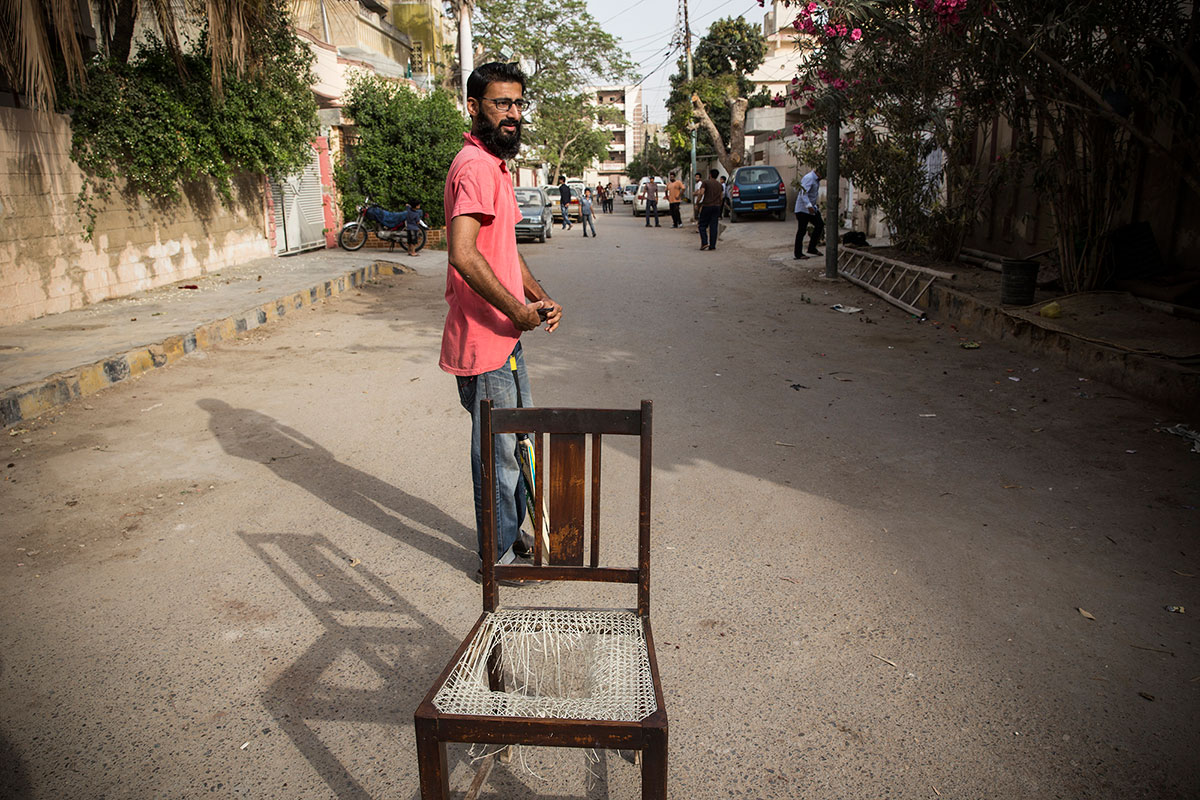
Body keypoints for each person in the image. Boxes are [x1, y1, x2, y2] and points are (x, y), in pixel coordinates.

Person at [440, 61, 564, 570]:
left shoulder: (496, 166)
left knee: (516, 446)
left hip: (505, 338)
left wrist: (538, 296)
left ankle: (511, 541)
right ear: (474, 107)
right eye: (500, 103)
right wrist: (517, 309)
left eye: (517, 103)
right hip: (484, 343)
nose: (512, 114)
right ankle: (498, 556)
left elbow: (505, 251)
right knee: (497, 458)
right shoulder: (473, 167)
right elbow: (463, 253)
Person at [794, 166, 824, 260]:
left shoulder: (816, 180)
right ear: (818, 172)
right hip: (803, 209)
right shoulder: (809, 178)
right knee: (802, 231)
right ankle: (798, 254)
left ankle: (811, 248)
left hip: (811, 208)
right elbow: (803, 193)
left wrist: (813, 207)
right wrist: (809, 206)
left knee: (819, 225)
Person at [697, 168, 723, 250]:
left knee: (702, 225)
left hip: (707, 206)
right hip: (717, 206)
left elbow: (701, 193)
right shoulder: (720, 185)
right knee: (713, 226)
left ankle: (704, 243)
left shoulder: (705, 182)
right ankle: (712, 245)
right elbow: (721, 197)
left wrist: (698, 202)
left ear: (710, 175)